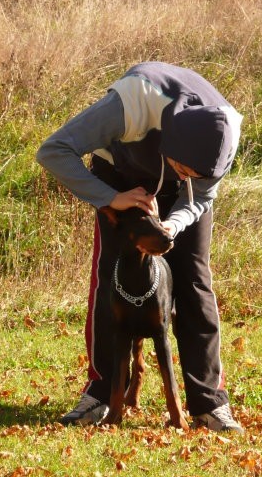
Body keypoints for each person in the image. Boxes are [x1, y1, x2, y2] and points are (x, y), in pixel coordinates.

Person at [36, 61, 244, 433]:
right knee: (111, 278)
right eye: (183, 168)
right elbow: (53, 151)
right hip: (122, 178)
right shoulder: (131, 103)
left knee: (195, 281)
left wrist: (172, 223)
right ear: (172, 144)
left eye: (196, 174)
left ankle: (209, 404)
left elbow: (200, 196)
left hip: (182, 199)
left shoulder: (225, 133)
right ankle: (100, 396)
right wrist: (110, 197)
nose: (187, 177)